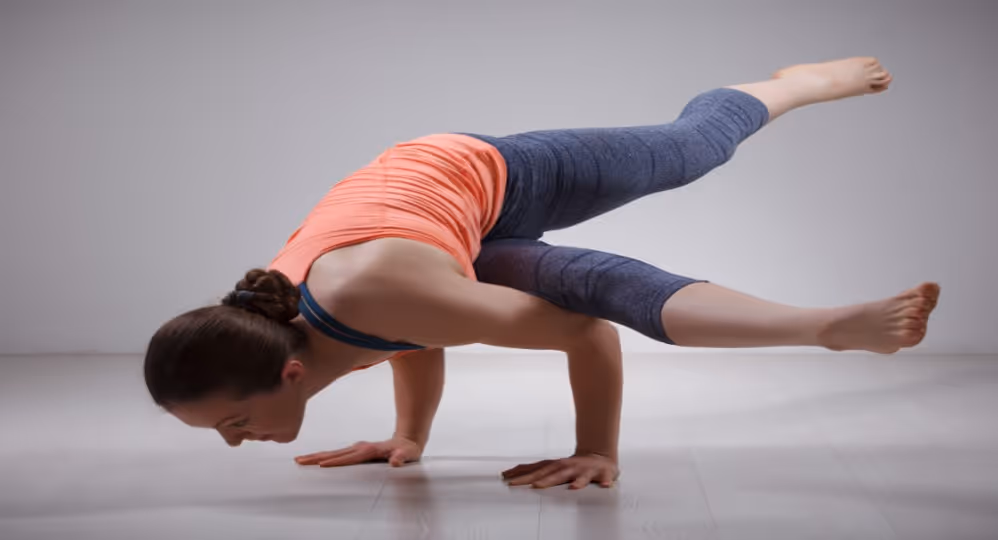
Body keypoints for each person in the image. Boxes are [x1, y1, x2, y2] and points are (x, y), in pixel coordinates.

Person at [144, 57, 939, 490]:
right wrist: (407, 437)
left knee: (688, 152)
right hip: (443, 247)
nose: (237, 443)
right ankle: (828, 327)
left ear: (286, 374)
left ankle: (789, 84)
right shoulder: (298, 329)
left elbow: (580, 337)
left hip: (490, 176)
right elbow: (411, 336)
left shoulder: (366, 292)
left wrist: (597, 450)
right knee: (594, 278)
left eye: (233, 423)